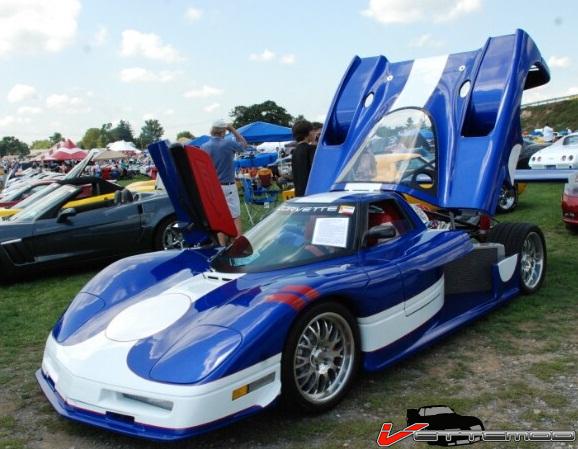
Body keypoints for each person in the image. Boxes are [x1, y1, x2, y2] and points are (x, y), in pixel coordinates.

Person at [201, 119, 247, 245]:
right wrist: (233, 130)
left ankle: (221, 247)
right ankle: (238, 245)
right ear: (223, 131)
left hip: (214, 187)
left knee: (219, 218)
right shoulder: (228, 143)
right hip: (228, 185)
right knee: (235, 217)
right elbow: (244, 145)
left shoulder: (204, 146)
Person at [291, 120, 318, 196]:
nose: (315, 133)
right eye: (313, 131)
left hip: (299, 192)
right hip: (311, 191)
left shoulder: (294, 151)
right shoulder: (311, 149)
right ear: (308, 133)